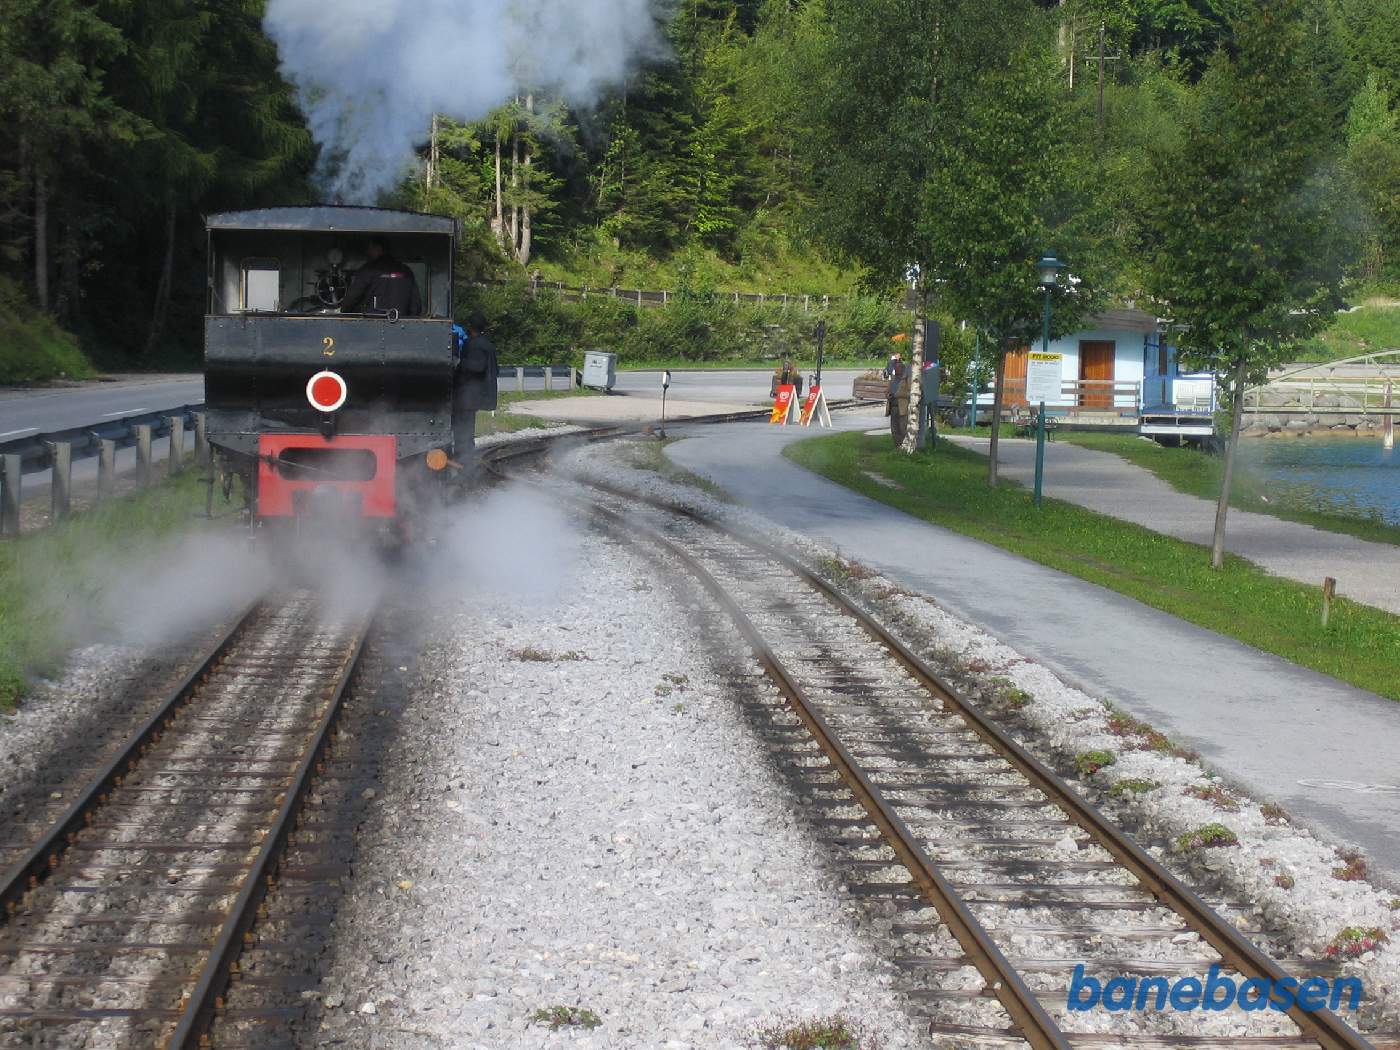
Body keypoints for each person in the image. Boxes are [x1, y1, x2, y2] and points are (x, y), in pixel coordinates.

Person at [453, 310, 499, 460]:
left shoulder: (474, 345)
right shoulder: (488, 345)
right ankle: (464, 464)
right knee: (466, 432)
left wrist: (459, 363)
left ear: (470, 327)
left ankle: (464, 467)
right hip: (475, 395)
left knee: (463, 434)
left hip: (466, 396)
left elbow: (478, 366)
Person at [340, 235, 422, 316]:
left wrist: (344, 311)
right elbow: (416, 306)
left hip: (370, 324)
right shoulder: (406, 271)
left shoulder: (368, 270)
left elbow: (352, 297)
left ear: (378, 248)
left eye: (370, 248)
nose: (368, 252)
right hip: (401, 325)